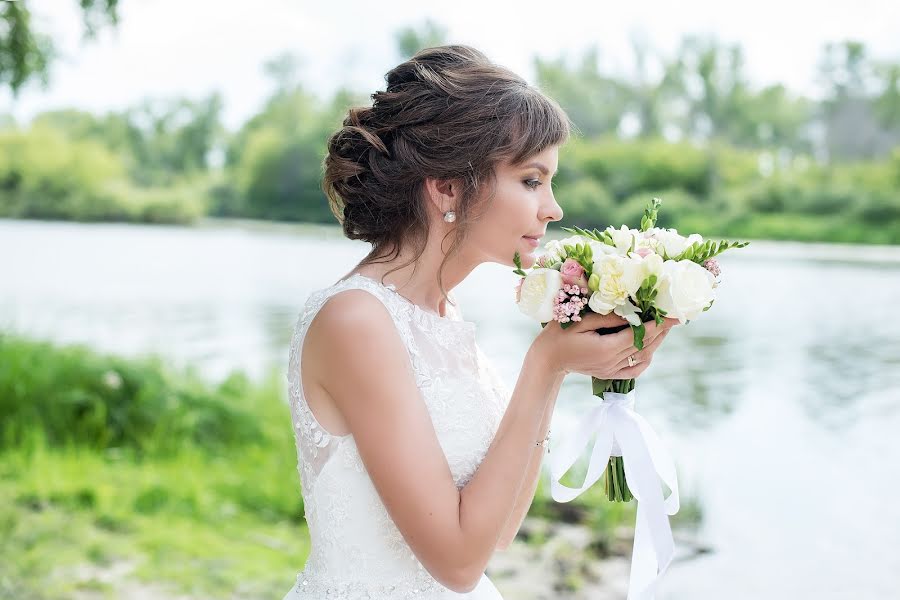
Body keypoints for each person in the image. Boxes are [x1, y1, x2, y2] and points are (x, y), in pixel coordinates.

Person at [282, 44, 678, 599]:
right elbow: (459, 564)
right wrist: (543, 364)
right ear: (446, 186)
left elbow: (498, 533)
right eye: (531, 180)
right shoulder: (356, 321)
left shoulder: (444, 319)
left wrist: (562, 365)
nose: (553, 209)